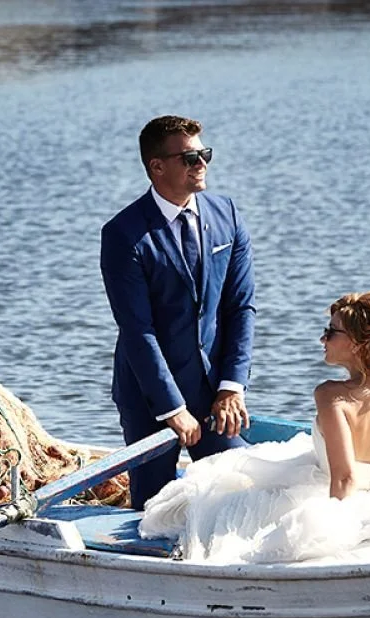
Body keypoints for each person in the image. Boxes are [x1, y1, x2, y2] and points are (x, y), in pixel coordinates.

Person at [140, 291, 370, 564]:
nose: (322, 338)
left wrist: (333, 536)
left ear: (357, 345)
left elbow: (343, 480)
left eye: (331, 331)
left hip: (336, 493)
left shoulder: (331, 396)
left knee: (219, 498)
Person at [100, 115, 256, 510]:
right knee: (154, 510)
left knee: (240, 495)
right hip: (149, 396)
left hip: (214, 393)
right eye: (189, 158)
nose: (201, 164)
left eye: (205, 154)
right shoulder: (123, 235)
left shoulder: (227, 215)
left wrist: (231, 387)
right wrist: (172, 409)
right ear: (157, 166)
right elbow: (138, 331)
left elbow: (240, 308)